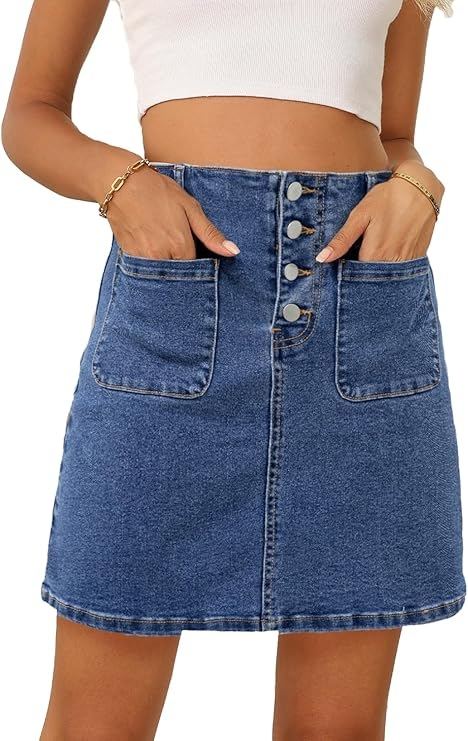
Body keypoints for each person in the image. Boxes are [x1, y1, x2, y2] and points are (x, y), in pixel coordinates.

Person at [2, 1, 465, 739]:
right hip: (177, 298)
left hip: (358, 303)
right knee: (95, 724)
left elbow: (394, 136)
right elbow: (30, 113)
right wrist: (123, 183)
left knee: (337, 730)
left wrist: (419, 184)